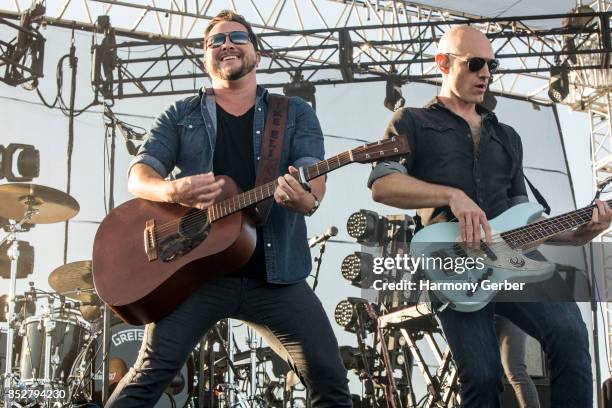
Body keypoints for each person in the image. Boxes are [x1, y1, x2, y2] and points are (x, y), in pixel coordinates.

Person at [106, 10, 351, 407]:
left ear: (257, 52)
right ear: (206, 58)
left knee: (330, 378)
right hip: (196, 276)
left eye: (237, 37)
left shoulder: (293, 113)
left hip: (276, 276)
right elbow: (139, 175)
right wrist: (173, 191)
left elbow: (312, 175)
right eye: (215, 42)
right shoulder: (180, 114)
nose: (226, 45)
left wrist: (306, 200)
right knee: (150, 373)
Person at [368, 25, 612, 407]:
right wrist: (451, 195)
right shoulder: (411, 121)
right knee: (482, 378)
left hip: (516, 260)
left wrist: (576, 234)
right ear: (443, 64)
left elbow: (527, 223)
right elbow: (382, 184)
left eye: (491, 65)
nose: (486, 72)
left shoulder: (507, 135)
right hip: (453, 264)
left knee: (570, 338)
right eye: (475, 63)